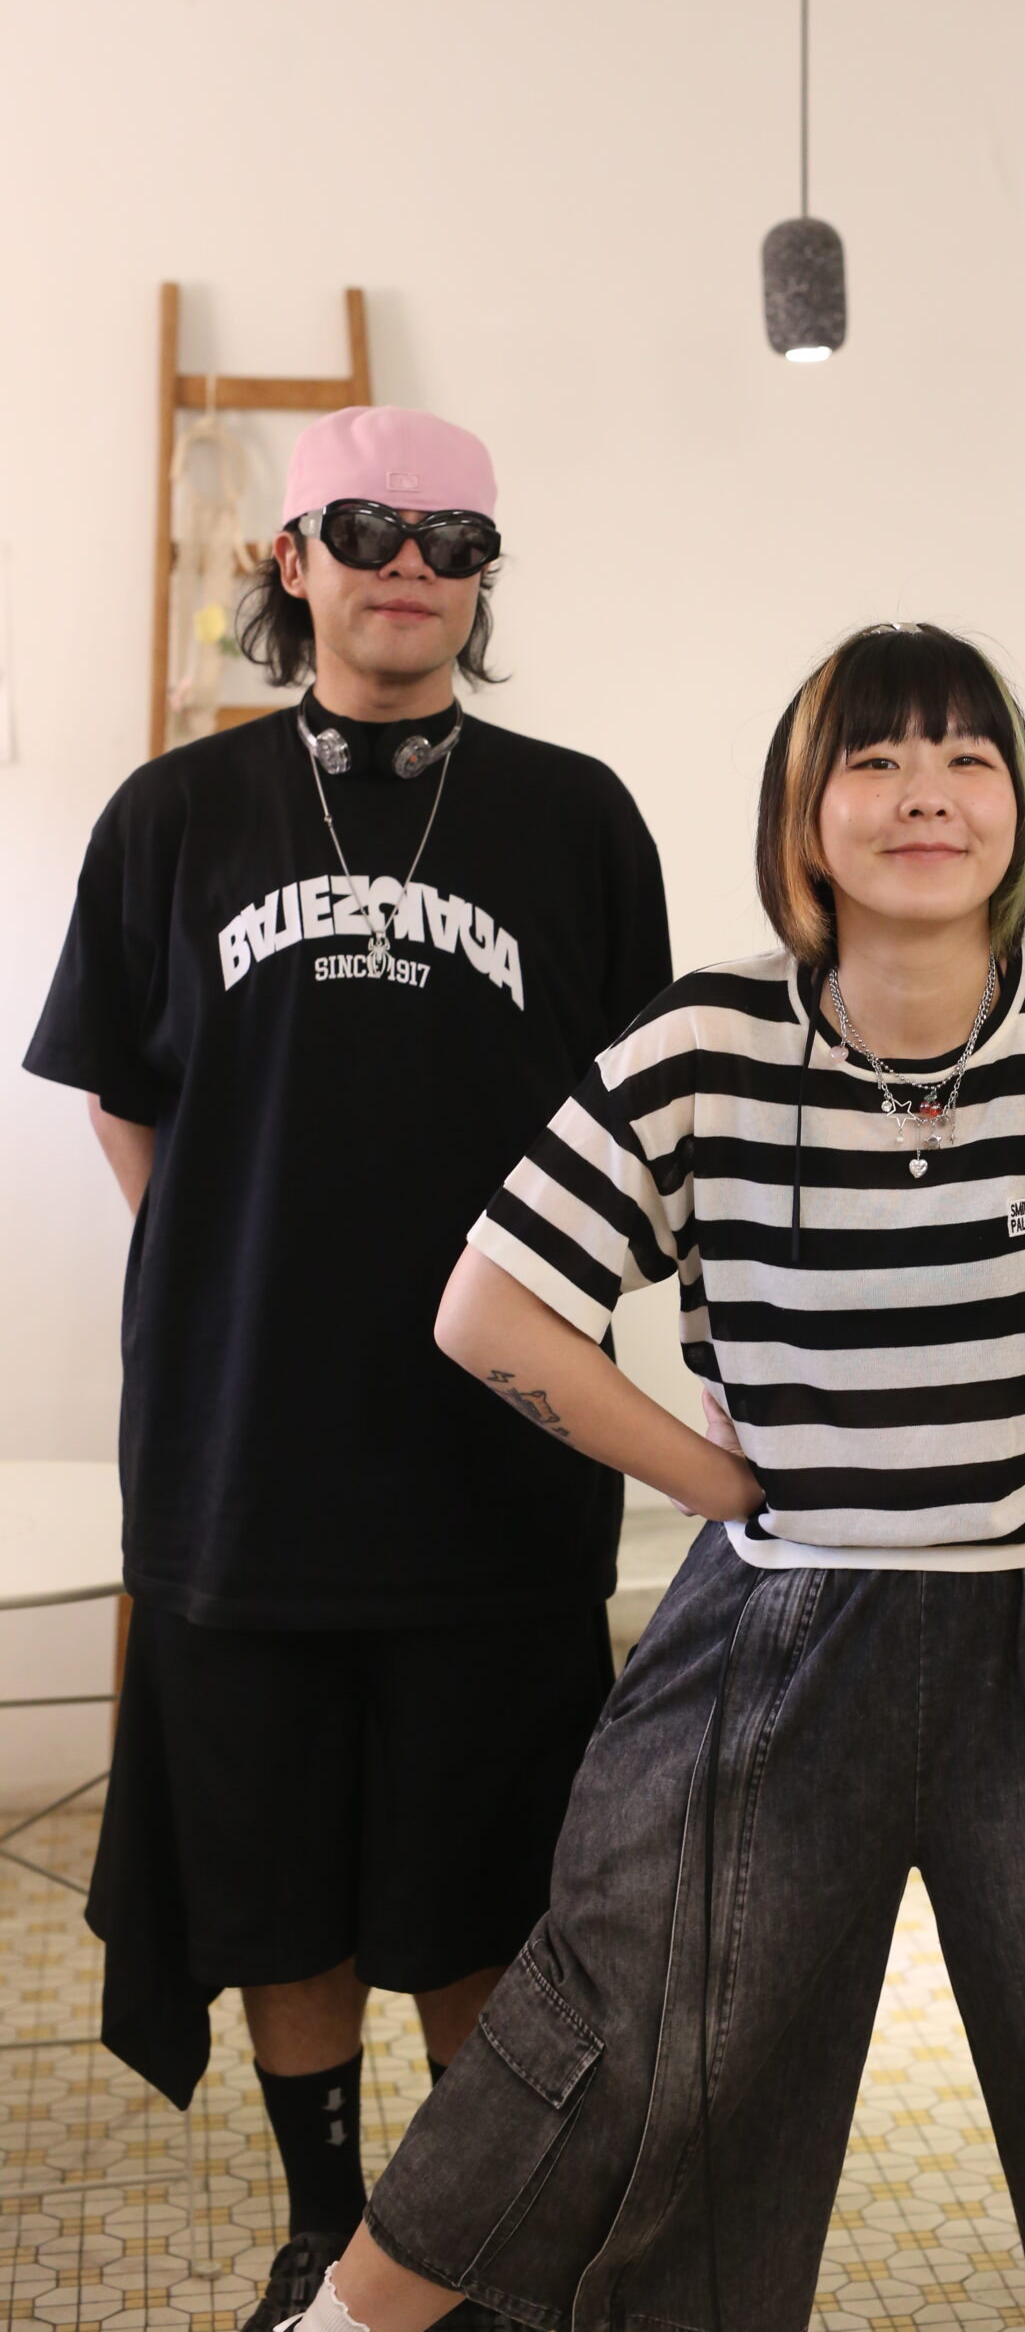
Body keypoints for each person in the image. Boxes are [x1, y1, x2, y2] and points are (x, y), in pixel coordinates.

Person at [282, 621, 1025, 2332]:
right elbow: (488, 1310)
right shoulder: (702, 1042)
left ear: (1019, 810)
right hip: (775, 1632)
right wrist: (707, 1478)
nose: (925, 794)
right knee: (622, 2035)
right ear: (803, 817)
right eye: (874, 760)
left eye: (966, 758)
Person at [23, 406, 672, 2332]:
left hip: (498, 1461)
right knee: (274, 1887)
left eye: (452, 538)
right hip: (242, 1460)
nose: (411, 563)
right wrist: (247, 1271)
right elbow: (124, 1099)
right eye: (369, 528)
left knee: (488, 1883)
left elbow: (646, 1120)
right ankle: (325, 2231)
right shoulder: (173, 815)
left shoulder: (576, 818)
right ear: (290, 560)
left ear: (483, 579)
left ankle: (462, 2248)